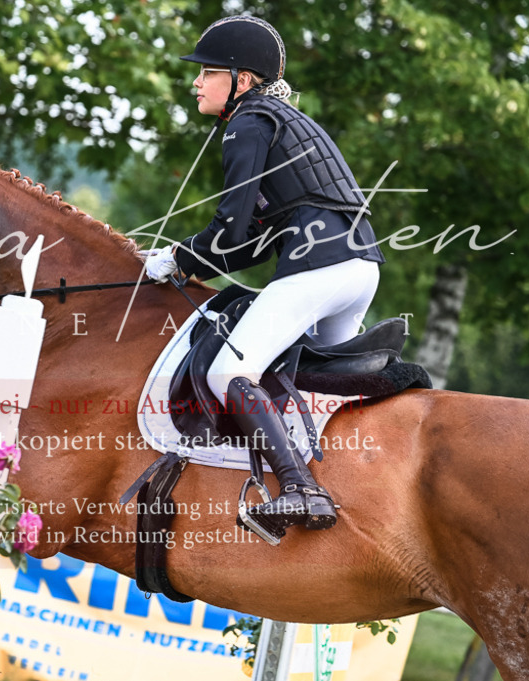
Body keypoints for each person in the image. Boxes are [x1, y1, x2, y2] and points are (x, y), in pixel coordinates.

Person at [144, 16, 385, 539]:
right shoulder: (284, 119)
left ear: (243, 80)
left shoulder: (248, 122)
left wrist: (179, 257)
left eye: (208, 72)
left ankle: (300, 488)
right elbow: (250, 241)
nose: (196, 83)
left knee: (227, 374)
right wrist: (188, 259)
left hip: (320, 269)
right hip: (360, 269)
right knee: (318, 397)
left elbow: (231, 227)